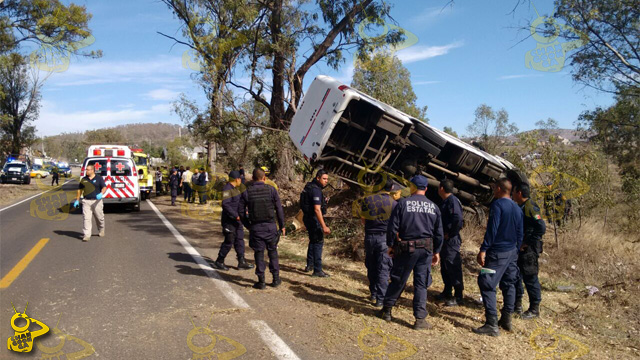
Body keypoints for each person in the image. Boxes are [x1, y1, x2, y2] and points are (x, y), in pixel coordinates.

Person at [378, 175, 443, 330]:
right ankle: (420, 320)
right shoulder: (434, 207)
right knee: (421, 284)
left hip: (406, 249)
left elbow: (392, 227)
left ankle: (386, 310)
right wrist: (437, 251)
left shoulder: (402, 204)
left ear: (412, 187)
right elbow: (439, 233)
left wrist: (391, 245)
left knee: (398, 279)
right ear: (426, 189)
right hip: (425, 250)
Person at [473, 178, 523, 336]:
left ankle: (491, 323)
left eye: (495, 188)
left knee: (486, 282)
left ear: (501, 189)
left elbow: (492, 229)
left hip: (497, 252)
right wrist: (516, 249)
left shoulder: (497, 205)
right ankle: (506, 318)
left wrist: (484, 249)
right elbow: (520, 232)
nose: (493, 191)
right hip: (512, 252)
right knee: (509, 283)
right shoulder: (517, 208)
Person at [238, 168, 285, 289]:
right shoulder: (271, 190)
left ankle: (261, 281)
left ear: (252, 179)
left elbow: (241, 211)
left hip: (256, 227)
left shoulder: (247, 191)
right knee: (273, 252)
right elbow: (279, 209)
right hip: (270, 227)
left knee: (259, 253)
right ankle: (275, 279)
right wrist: (282, 225)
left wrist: (248, 225)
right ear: (264, 178)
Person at [360, 176, 396, 307]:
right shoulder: (394, 204)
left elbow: (363, 220)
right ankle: (381, 299)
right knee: (384, 269)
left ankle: (373, 293)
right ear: (391, 188)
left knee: (371, 265)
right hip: (385, 239)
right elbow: (396, 225)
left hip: (370, 237)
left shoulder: (368, 200)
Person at [512, 183, 546, 320]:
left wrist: (528, 242)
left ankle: (534, 309)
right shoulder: (521, 206)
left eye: (514, 192)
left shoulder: (530, 207)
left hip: (529, 250)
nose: (512, 195)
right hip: (519, 248)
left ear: (519, 193)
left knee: (530, 277)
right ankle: (517, 305)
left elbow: (541, 227)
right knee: (516, 276)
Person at [212, 171, 254, 271]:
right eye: (240, 179)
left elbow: (246, 199)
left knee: (239, 239)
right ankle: (219, 261)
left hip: (238, 220)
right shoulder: (227, 189)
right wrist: (235, 216)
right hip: (229, 220)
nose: (241, 180)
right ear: (237, 179)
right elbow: (225, 204)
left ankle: (241, 261)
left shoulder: (239, 188)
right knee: (229, 241)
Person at [435, 179, 465, 307]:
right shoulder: (447, 201)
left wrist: (451, 233)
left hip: (451, 239)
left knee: (453, 266)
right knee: (445, 266)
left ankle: (458, 296)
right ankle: (447, 291)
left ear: (441, 188)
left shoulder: (452, 201)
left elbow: (458, 218)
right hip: (445, 239)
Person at [300, 169, 331, 277]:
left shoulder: (309, 186)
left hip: (307, 217)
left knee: (313, 240)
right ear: (318, 178)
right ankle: (317, 270)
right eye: (324, 178)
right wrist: (324, 226)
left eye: (327, 179)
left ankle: (310, 265)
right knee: (318, 241)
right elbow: (317, 209)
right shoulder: (316, 190)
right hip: (313, 219)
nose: (326, 181)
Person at [73, 165, 107, 242]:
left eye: (88, 170)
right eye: (86, 170)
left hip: (97, 201)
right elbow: (79, 190)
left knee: (99, 218)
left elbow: (104, 187)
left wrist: (101, 193)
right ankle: (87, 235)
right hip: (86, 201)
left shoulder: (99, 178)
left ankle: (101, 229)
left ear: (92, 170)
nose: (86, 171)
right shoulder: (84, 179)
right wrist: (77, 200)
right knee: (86, 218)